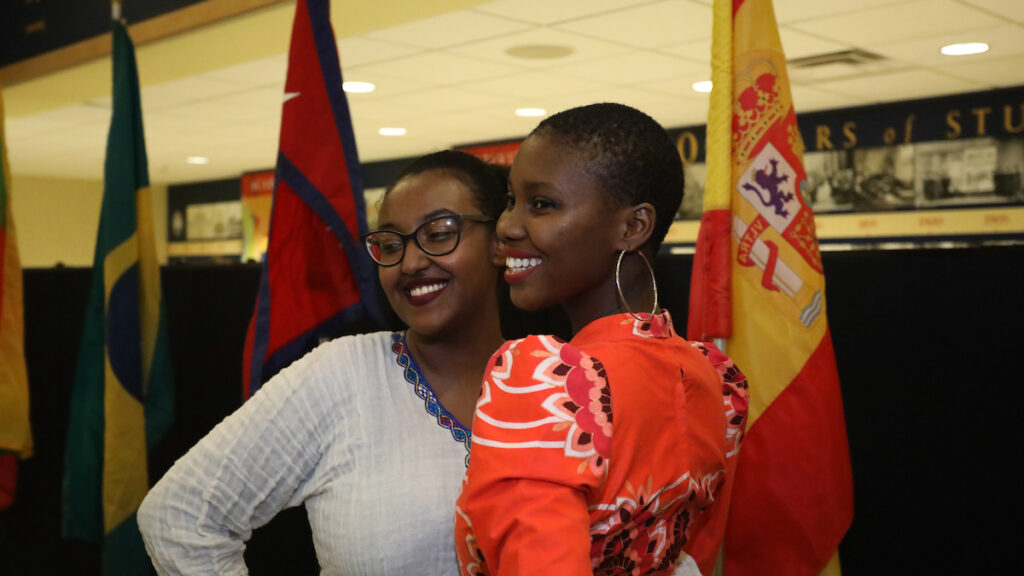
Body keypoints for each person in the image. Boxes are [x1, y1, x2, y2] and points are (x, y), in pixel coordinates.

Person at [138, 150, 507, 575]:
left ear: (500, 240)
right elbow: (179, 517)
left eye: (440, 233)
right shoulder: (344, 375)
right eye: (390, 244)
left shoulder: (557, 380)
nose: (410, 262)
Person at [453, 103, 749, 576]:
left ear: (633, 227)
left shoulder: (546, 382)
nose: (507, 225)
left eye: (542, 204)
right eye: (511, 201)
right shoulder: (714, 377)